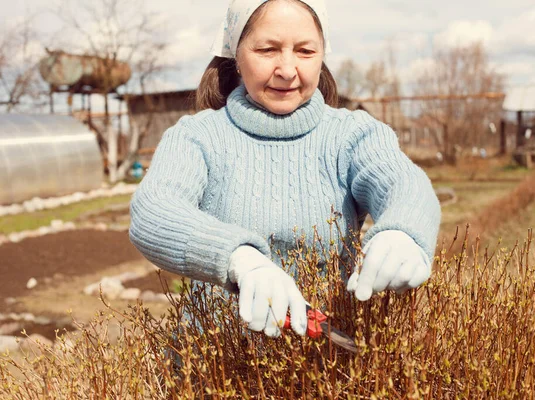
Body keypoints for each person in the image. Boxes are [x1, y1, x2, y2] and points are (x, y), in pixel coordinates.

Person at [129, 0, 441, 339]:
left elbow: (404, 183)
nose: (288, 69)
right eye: (267, 49)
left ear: (322, 55)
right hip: (213, 369)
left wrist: (404, 231)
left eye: (305, 51)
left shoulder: (352, 135)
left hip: (325, 369)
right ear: (236, 54)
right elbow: (153, 211)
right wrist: (239, 259)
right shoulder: (197, 138)